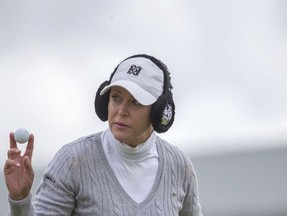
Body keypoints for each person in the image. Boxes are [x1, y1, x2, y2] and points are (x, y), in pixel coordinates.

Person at [4, 54, 203, 215]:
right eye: (116, 98)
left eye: (136, 102)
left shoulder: (179, 165)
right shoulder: (72, 159)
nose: (121, 111)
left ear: (160, 112)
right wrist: (20, 200)